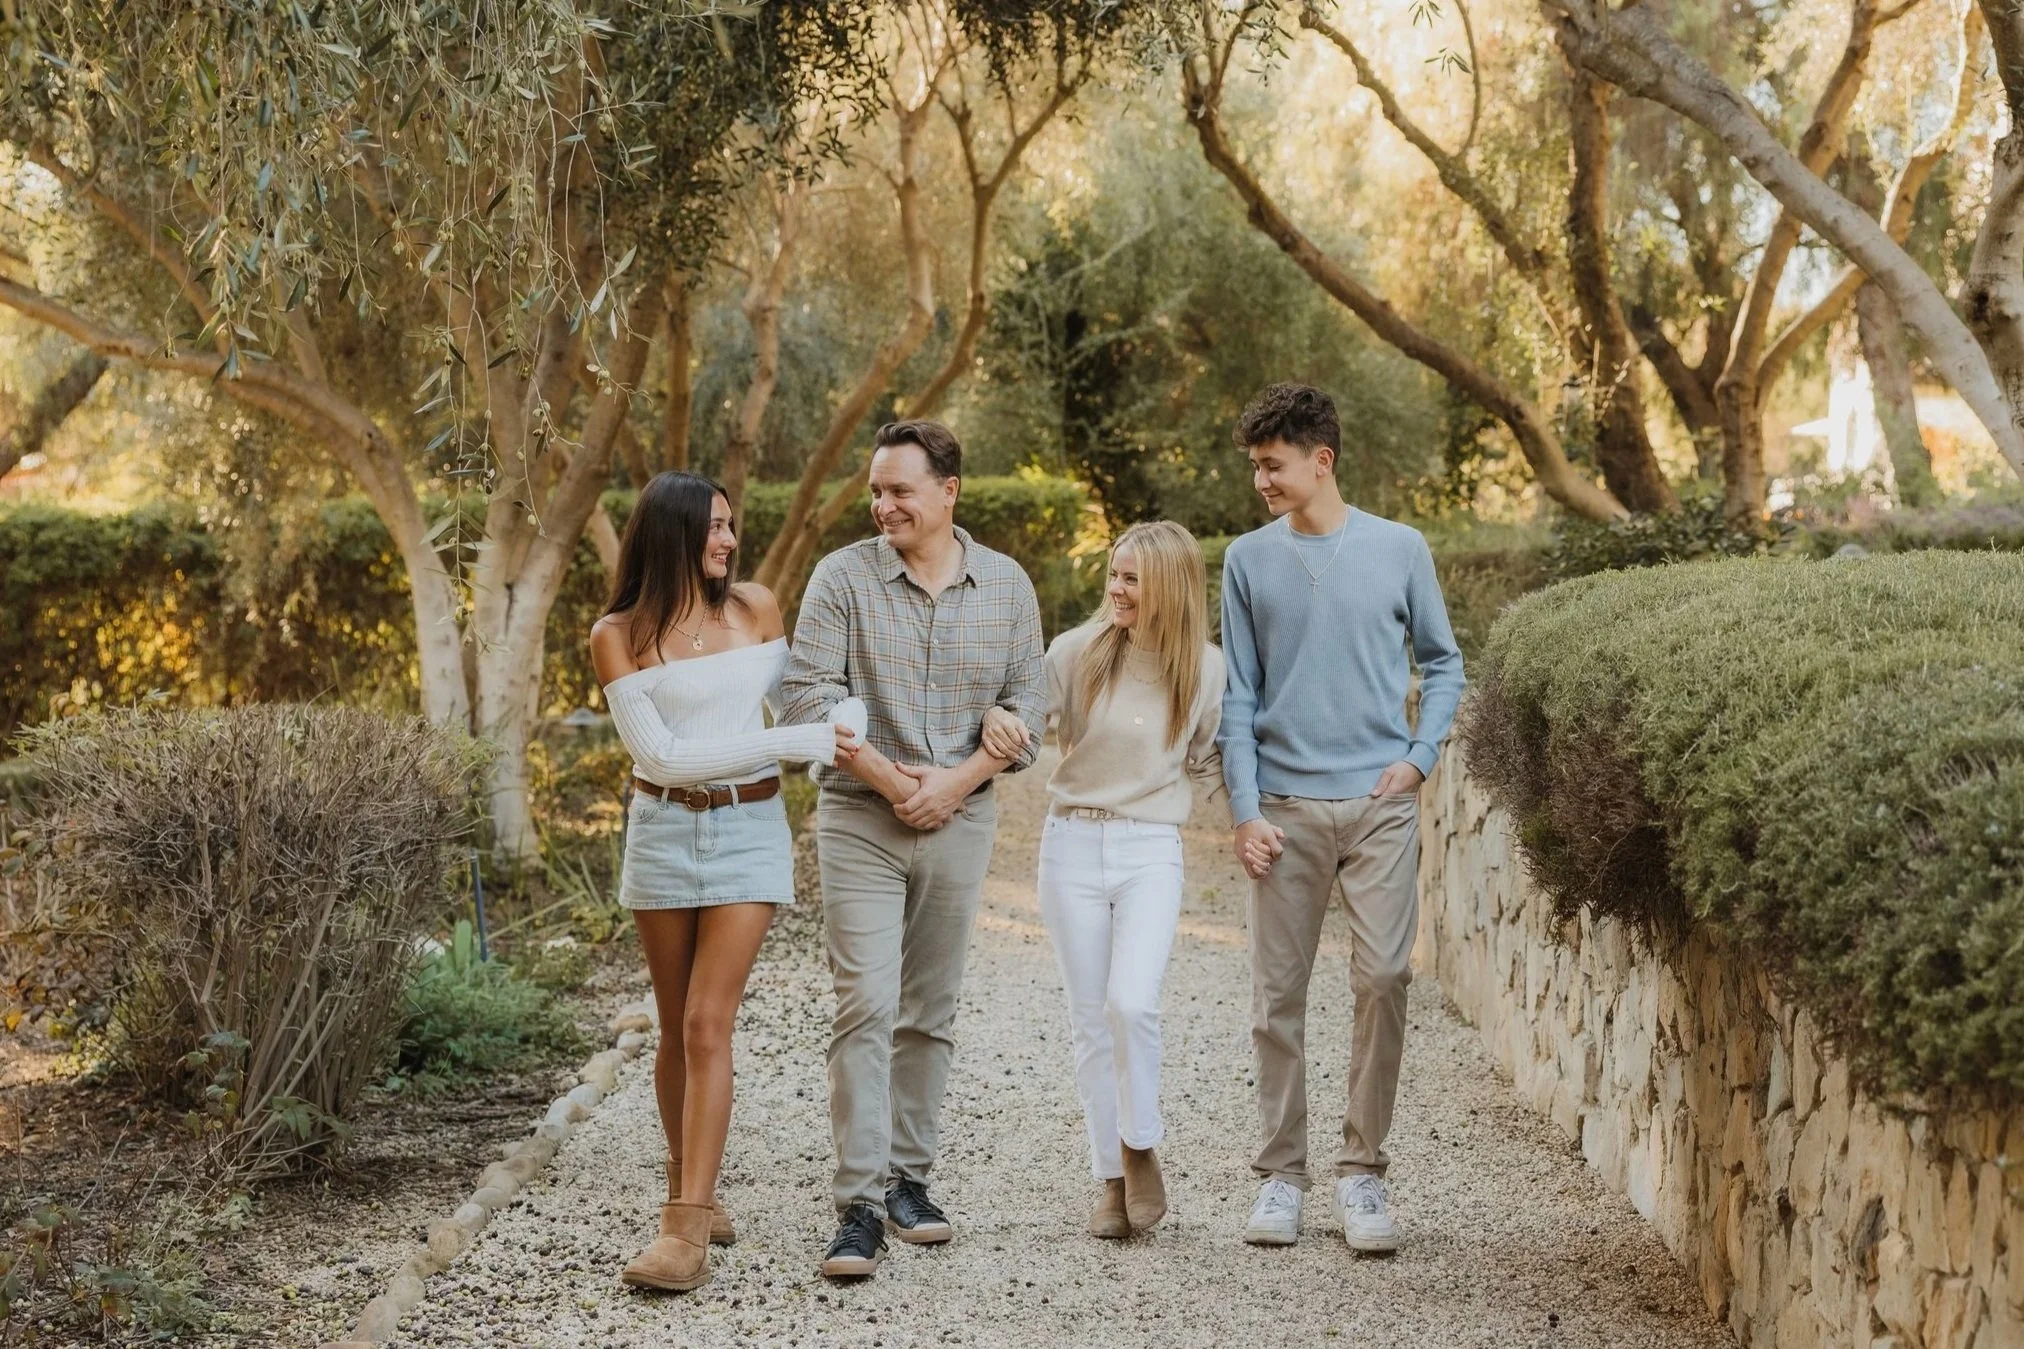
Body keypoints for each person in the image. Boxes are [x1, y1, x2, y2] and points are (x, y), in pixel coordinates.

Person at [779, 419, 1047, 1280]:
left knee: (930, 1009)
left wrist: (956, 781)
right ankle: (857, 1204)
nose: (882, 504)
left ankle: (909, 1182)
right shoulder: (842, 578)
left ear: (948, 491)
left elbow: (1029, 711)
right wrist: (899, 783)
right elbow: (806, 699)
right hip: (861, 818)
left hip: (961, 821)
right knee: (865, 1002)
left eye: (900, 489)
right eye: (876, 490)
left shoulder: (1006, 586)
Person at [590, 471, 868, 1293]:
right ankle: (694, 1185)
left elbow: (799, 705)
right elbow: (663, 755)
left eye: (730, 525)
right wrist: (790, 743)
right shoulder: (619, 633)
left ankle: (683, 1232)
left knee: (709, 1021)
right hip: (663, 828)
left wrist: (839, 722)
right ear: (672, 532)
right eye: (713, 526)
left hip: (750, 829)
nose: (729, 540)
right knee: (675, 1024)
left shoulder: (755, 608)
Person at [1218, 383, 1465, 1254]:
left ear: (1321, 460)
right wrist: (1243, 809)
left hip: (1379, 805)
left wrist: (1420, 756)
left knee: (1385, 976)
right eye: (1256, 466)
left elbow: (1444, 663)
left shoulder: (1400, 548)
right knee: (1277, 996)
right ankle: (1281, 1175)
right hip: (1283, 809)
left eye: (1273, 465)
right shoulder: (1247, 560)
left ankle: (1362, 1170)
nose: (1261, 481)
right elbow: (1239, 694)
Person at [982, 520, 1227, 1239]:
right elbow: (1023, 720)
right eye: (1113, 574)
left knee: (1132, 1003)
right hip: (1071, 845)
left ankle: (1140, 1139)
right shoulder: (1076, 651)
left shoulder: (1205, 668)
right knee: (1090, 1020)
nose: (1116, 590)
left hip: (1150, 848)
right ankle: (1113, 1178)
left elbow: (1210, 758)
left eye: (1131, 579)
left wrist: (1256, 824)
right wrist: (996, 715)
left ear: (1170, 587)